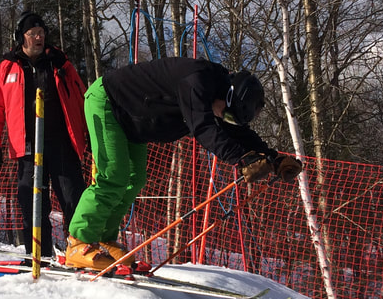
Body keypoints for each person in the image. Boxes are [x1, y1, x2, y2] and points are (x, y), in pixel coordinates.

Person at [64, 56, 303, 270]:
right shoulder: (197, 81)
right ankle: (79, 241)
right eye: (227, 113)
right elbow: (203, 127)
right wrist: (241, 160)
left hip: (132, 121)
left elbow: (237, 133)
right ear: (229, 96)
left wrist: (273, 157)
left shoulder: (214, 92)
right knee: (114, 175)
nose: (224, 118)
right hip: (109, 102)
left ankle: (104, 239)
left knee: (134, 180)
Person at [0, 11, 89, 257]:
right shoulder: (8, 67)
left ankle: (80, 249)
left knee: (74, 199)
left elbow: (83, 99)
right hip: (27, 147)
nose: (39, 38)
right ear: (22, 37)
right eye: (33, 34)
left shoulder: (60, 63)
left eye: (41, 33)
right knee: (32, 204)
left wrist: (91, 135)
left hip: (61, 143)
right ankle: (39, 255)